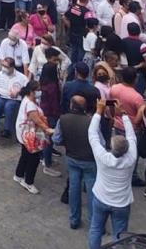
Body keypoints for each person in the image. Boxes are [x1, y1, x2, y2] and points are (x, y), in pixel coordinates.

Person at [87, 98, 138, 249]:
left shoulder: (102, 157)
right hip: (121, 202)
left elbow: (92, 134)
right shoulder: (131, 157)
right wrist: (123, 114)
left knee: (96, 228)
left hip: (101, 197)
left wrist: (98, 111)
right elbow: (131, 136)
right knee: (120, 235)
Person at [53, 94, 96, 231]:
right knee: (91, 191)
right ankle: (93, 221)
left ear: (71, 106)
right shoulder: (91, 122)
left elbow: (56, 140)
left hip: (72, 158)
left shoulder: (63, 119)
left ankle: (74, 219)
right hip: (89, 160)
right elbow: (99, 143)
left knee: (74, 188)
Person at [13, 80, 51, 194]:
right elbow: (37, 120)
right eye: (38, 90)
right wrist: (47, 129)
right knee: (33, 158)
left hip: (24, 133)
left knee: (25, 154)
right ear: (31, 91)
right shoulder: (29, 104)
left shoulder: (29, 100)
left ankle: (19, 174)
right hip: (29, 135)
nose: (40, 92)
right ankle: (28, 182)